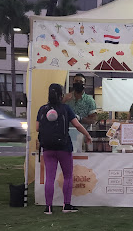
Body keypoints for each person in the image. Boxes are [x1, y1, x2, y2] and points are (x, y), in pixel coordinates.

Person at [36, 83, 92, 215]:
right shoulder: (65, 108)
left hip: (48, 147)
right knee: (67, 176)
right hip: (64, 147)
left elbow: (37, 128)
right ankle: (66, 205)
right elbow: (77, 125)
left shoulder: (42, 109)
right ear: (61, 95)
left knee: (50, 177)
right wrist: (87, 135)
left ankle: (48, 207)